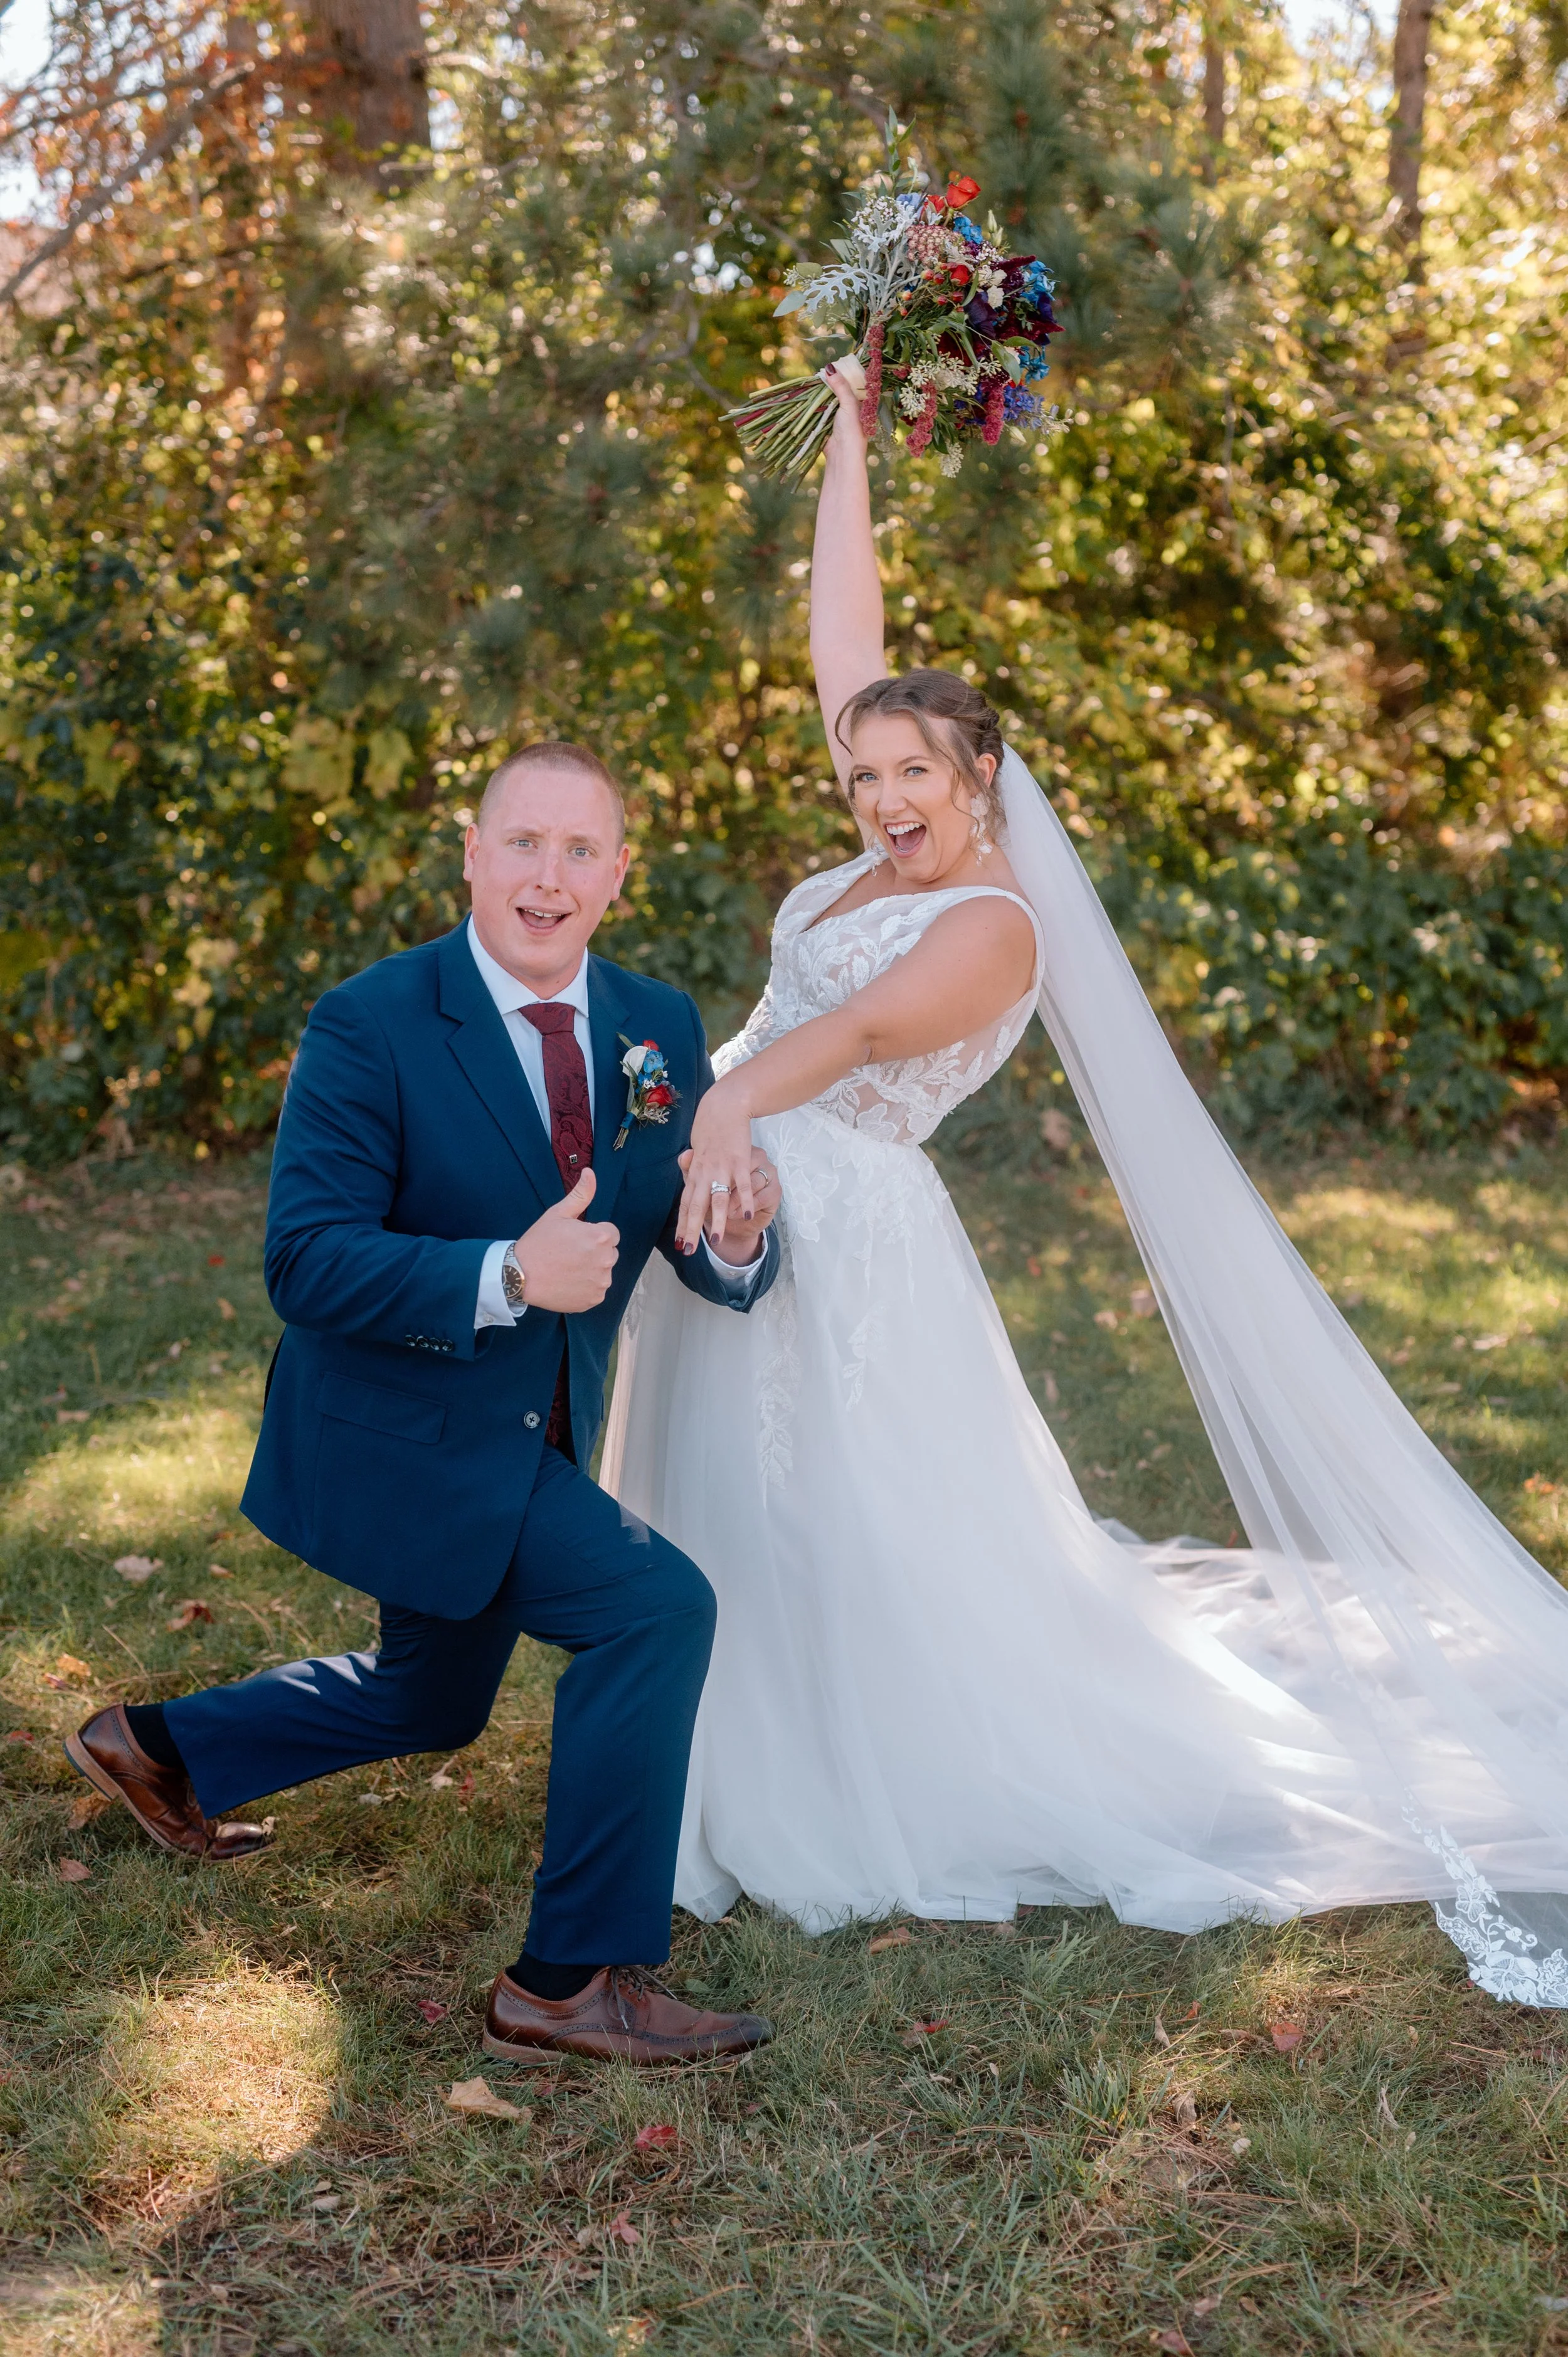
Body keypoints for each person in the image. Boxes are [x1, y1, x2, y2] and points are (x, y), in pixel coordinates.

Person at [602, 369, 1568, 2009]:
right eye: (864, 778)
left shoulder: (990, 928)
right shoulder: (873, 846)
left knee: (831, 1505)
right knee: (723, 1495)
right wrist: (847, 425)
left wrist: (716, 1114)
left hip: (833, 1220)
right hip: (740, 1175)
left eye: (915, 772)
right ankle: (678, 1738)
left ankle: (840, 1768)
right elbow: (846, 634)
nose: (885, 799)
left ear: (979, 772)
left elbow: (841, 1035)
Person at [67, 742, 785, 2067]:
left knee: (430, 1700)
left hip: (537, 1430)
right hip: (408, 1433)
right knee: (655, 1606)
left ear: (618, 875)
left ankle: (155, 1746)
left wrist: (734, 1236)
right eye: (523, 842)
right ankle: (565, 1982)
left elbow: (687, 1239)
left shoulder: (656, 1026)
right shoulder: (372, 1020)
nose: (547, 875)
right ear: (470, 850)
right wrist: (508, 1272)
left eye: (581, 850)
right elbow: (303, 1257)